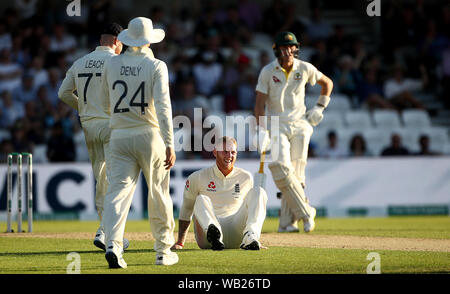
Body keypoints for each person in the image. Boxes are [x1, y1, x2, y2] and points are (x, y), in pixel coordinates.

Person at [100, 17, 178, 268]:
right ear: (149, 40)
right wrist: (169, 142)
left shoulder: (111, 64)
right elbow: (164, 108)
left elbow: (105, 101)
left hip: (119, 135)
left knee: (117, 193)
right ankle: (163, 251)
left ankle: (113, 244)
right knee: (158, 192)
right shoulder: (156, 66)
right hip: (149, 134)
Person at [58, 23, 129, 252]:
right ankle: (105, 230)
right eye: (123, 44)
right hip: (111, 126)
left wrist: (84, 109)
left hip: (88, 127)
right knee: (117, 181)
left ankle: (109, 232)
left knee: (102, 181)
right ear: (117, 41)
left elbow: (63, 93)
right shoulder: (117, 62)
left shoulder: (80, 62)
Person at [254, 31, 333, 233]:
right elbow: (259, 105)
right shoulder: (267, 72)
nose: (288, 50)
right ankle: (306, 212)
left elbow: (327, 83)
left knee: (296, 175)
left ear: (296, 48)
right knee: (280, 166)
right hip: (276, 124)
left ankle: (287, 223)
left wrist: (319, 107)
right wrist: (260, 130)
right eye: (284, 47)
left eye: (292, 47)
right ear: (277, 50)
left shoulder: (304, 68)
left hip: (300, 124)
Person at [172, 136, 268, 250]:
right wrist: (180, 242)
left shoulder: (245, 177)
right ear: (215, 152)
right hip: (207, 238)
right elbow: (187, 209)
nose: (229, 156)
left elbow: (252, 209)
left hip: (235, 233)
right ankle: (214, 235)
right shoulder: (197, 177)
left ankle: (251, 237)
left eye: (233, 152)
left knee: (259, 191)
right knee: (201, 199)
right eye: (225, 152)